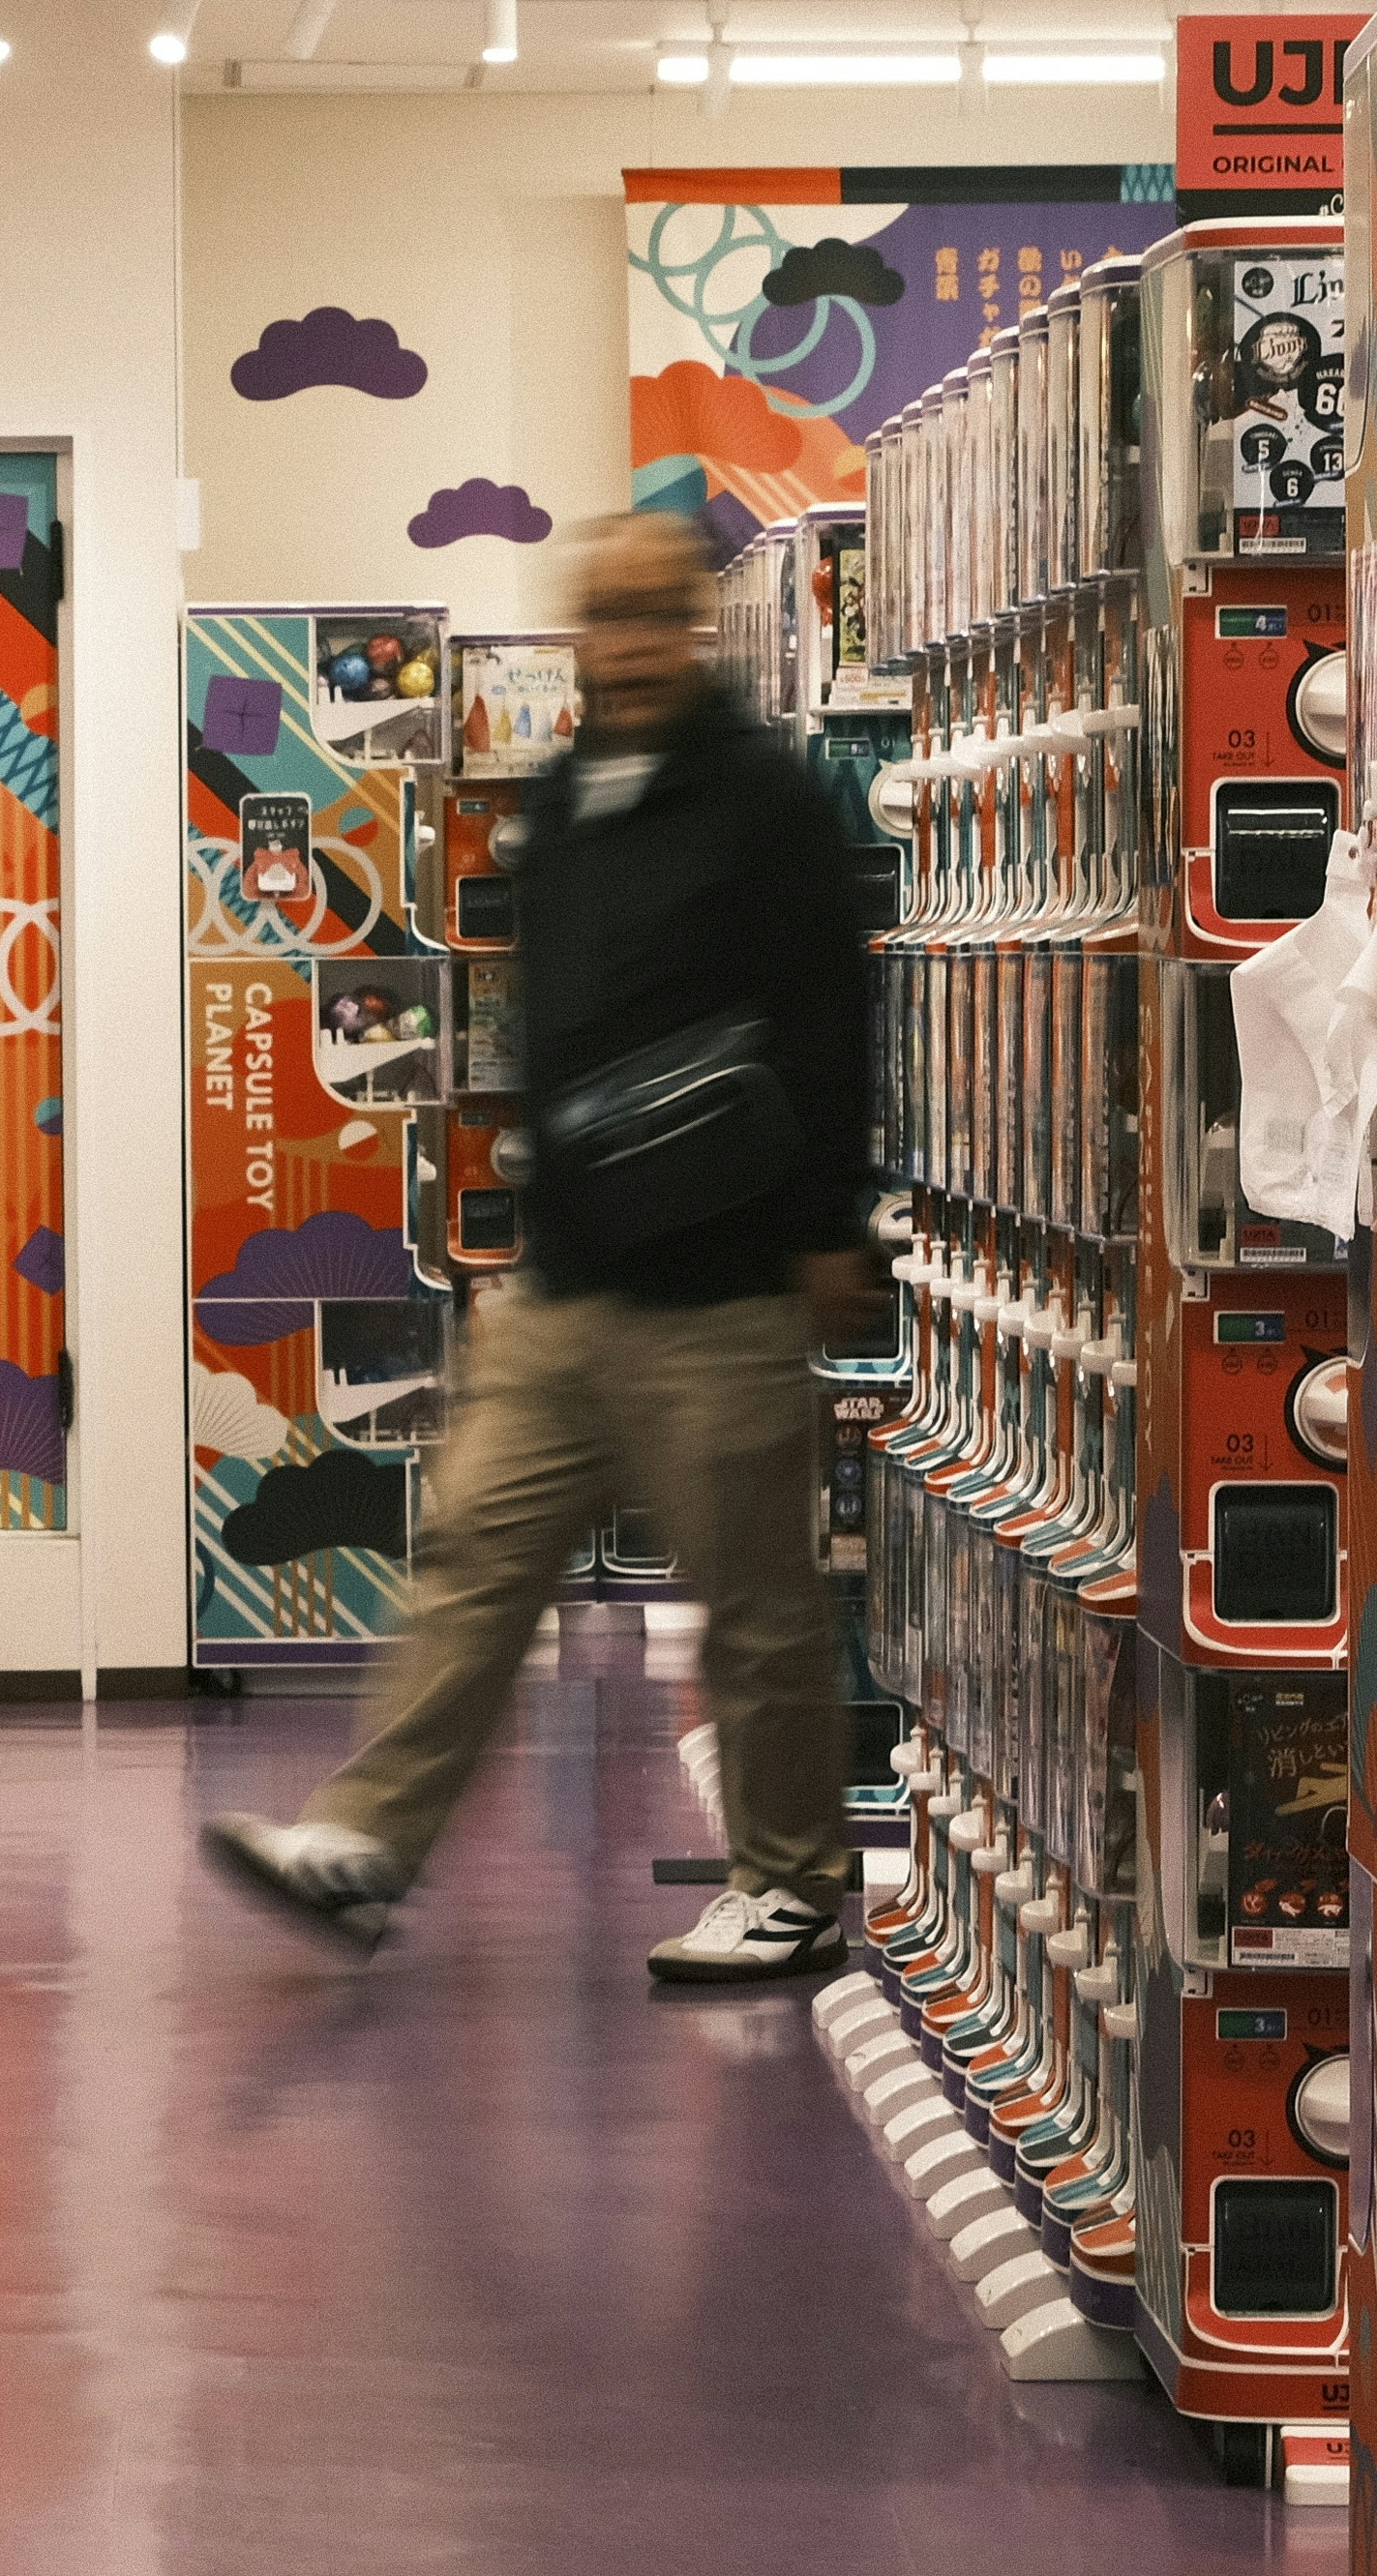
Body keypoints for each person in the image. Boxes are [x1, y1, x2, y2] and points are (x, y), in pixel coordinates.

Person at [207, 509, 883, 1984]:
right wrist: (523, 1249)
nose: (628, 645)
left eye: (653, 616)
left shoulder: (763, 798)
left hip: (722, 1284)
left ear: (695, 626)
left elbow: (833, 1021)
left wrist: (828, 1228)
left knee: (756, 1606)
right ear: (578, 634)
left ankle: (787, 1886)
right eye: (606, 617)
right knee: (473, 1554)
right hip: (570, 1287)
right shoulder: (569, 796)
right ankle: (366, 1839)